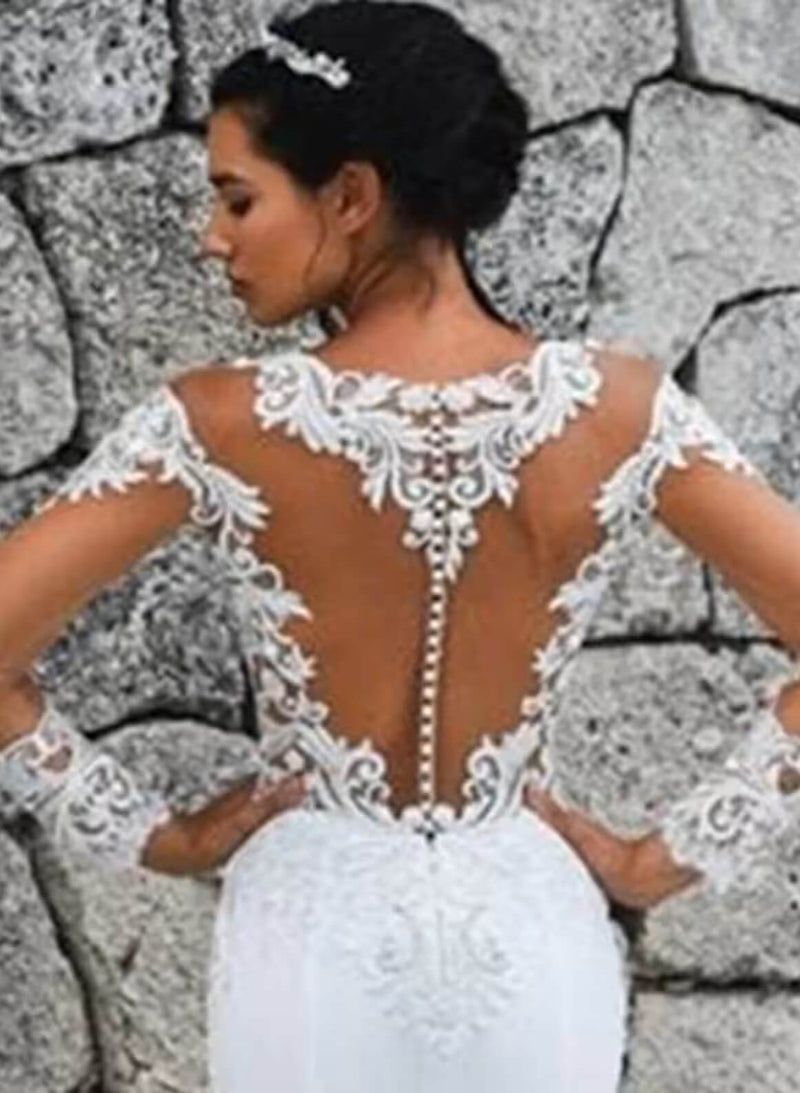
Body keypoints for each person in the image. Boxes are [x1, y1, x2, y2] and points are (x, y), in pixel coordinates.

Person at [2, 1, 800, 1090]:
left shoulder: (220, 420)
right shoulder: (618, 407)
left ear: (351, 196)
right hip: (532, 934)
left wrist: (154, 834)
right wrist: (656, 861)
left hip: (312, 946)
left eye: (238, 198)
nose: (210, 236)